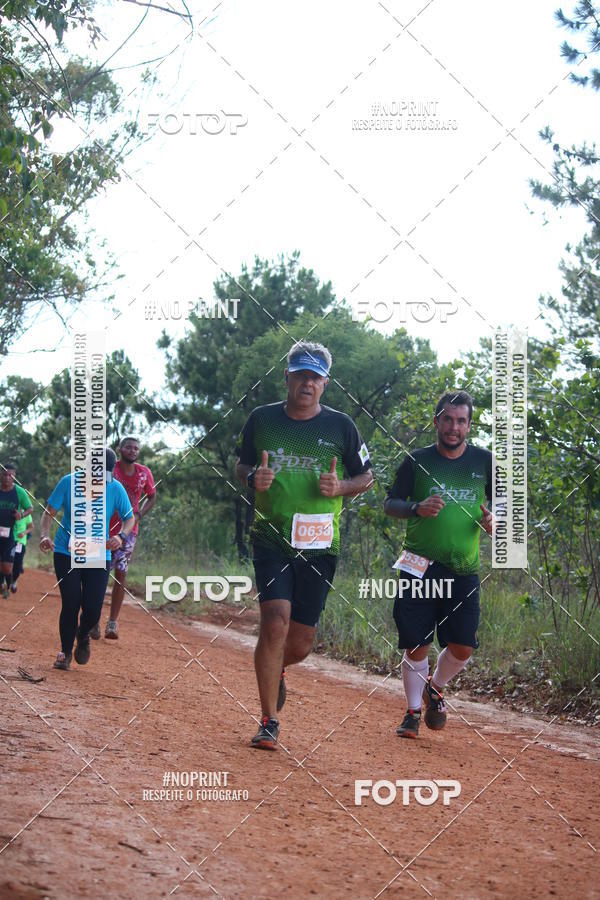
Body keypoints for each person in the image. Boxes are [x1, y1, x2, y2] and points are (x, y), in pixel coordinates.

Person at [236, 341, 374, 750]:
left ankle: (278, 669)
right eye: (300, 374)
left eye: (315, 377)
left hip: (319, 544)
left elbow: (366, 477)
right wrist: (251, 479)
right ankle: (268, 720)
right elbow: (241, 464)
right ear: (288, 377)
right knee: (274, 621)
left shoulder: (341, 426)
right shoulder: (261, 420)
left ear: (325, 383)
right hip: (271, 537)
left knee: (299, 643)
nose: (307, 383)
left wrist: (342, 486)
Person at [384, 391, 493, 739]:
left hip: (463, 568)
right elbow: (390, 503)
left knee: (463, 645)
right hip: (419, 564)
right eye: (447, 419)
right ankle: (413, 712)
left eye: (461, 421)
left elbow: (506, 511)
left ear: (469, 425)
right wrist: (416, 507)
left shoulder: (484, 461)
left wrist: (496, 523)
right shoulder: (417, 461)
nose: (454, 427)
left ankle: (436, 687)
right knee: (417, 643)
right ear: (436, 421)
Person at [39, 448, 134, 670]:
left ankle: (83, 636)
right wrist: (44, 535)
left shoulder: (115, 488)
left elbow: (129, 519)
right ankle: (64, 652)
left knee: (93, 608)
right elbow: (49, 512)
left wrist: (121, 536)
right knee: (71, 603)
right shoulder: (68, 482)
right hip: (66, 551)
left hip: (98, 554)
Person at [91, 437, 156, 640]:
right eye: (128, 447)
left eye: (136, 448)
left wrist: (139, 515)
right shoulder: (112, 470)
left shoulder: (144, 473)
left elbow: (152, 495)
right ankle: (92, 620)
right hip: (104, 530)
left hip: (128, 532)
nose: (132, 450)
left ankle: (112, 623)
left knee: (121, 573)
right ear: (120, 450)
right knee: (97, 576)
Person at [0, 464, 33, 599]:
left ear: (14, 477)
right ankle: (3, 586)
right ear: (1, 475)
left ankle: (8, 584)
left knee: (7, 567)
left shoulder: (19, 492)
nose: (7, 478)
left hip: (10, 534)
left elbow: (30, 508)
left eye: (10, 475)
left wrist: (22, 515)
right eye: (5, 474)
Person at [11, 510, 34, 593]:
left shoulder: (26, 514)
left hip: (20, 543)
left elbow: (31, 527)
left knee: (17, 565)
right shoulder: (10, 510)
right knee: (6, 562)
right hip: (8, 541)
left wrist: (24, 533)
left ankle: (14, 581)